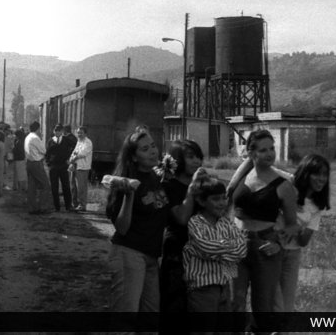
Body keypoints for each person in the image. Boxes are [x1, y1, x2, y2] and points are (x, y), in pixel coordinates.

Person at [227, 129, 298, 334]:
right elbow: (228, 204)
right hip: (238, 245)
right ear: (251, 153)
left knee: (263, 308)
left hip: (266, 246)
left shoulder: (283, 186)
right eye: (263, 150)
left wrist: (278, 243)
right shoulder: (241, 176)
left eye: (272, 148)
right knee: (234, 304)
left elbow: (293, 224)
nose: (269, 154)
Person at [104, 127, 168, 317]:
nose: (153, 151)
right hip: (129, 254)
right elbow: (122, 228)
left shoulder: (156, 178)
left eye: (153, 146)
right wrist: (129, 196)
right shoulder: (123, 182)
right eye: (145, 149)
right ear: (133, 157)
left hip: (151, 256)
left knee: (150, 316)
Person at [183, 174, 247, 323]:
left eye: (224, 198)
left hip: (224, 285)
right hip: (202, 288)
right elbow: (205, 246)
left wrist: (218, 247)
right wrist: (229, 247)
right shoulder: (196, 223)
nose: (222, 203)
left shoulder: (227, 224)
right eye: (215, 199)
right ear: (201, 201)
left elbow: (241, 250)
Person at [276, 153, 331, 312]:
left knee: (286, 304)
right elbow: (259, 165)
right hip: (271, 249)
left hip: (292, 255)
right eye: (317, 173)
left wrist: (296, 226)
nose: (321, 179)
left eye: (325, 175)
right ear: (306, 173)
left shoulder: (317, 206)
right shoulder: (289, 183)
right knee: (268, 301)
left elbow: (303, 241)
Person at [158, 139, 206, 314]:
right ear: (177, 159)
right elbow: (181, 217)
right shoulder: (167, 186)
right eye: (190, 157)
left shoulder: (203, 186)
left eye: (198, 157)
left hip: (200, 253)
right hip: (176, 251)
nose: (196, 161)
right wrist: (192, 189)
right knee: (174, 304)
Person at [24, 121, 52, 214]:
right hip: (36, 163)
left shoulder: (27, 137)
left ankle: (32, 208)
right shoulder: (36, 138)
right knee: (45, 185)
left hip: (29, 163)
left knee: (32, 187)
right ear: (38, 129)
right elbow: (44, 151)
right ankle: (43, 207)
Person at [46, 124, 74, 212]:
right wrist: (48, 163)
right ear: (54, 132)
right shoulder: (50, 141)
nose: (57, 132)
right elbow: (47, 153)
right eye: (56, 130)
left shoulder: (66, 140)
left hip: (63, 165)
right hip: (53, 166)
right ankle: (56, 207)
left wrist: (69, 157)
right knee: (54, 187)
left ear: (62, 131)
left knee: (66, 186)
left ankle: (68, 206)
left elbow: (74, 146)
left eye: (59, 130)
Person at [68, 126, 93, 211]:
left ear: (85, 133)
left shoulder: (88, 142)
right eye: (78, 133)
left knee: (81, 187)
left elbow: (82, 154)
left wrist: (73, 159)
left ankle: (82, 205)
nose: (79, 134)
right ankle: (75, 204)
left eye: (81, 133)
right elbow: (74, 152)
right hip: (75, 166)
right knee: (73, 186)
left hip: (83, 167)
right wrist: (71, 159)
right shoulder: (79, 142)